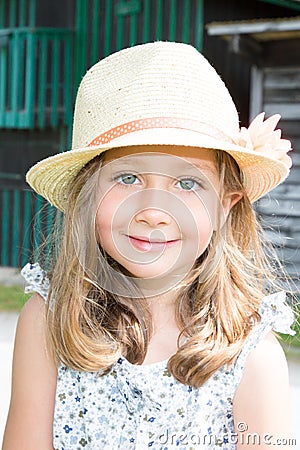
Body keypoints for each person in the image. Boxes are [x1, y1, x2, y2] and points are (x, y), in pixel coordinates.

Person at [2, 42, 296, 450]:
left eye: (187, 183)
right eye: (128, 178)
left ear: (225, 206)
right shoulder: (49, 320)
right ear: (86, 196)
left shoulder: (248, 354)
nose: (154, 212)